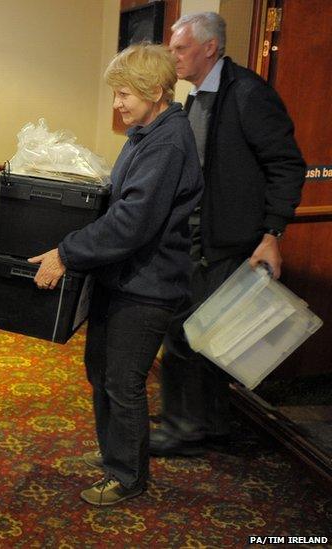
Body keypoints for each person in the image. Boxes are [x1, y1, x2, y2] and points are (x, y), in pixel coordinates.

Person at [30, 43, 203, 506]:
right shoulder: (146, 133)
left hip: (148, 286)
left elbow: (133, 223)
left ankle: (127, 476)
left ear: (153, 91)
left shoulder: (167, 142)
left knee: (123, 381)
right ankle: (115, 455)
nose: (117, 104)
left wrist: (67, 253)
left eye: (124, 94)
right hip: (123, 277)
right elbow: (120, 202)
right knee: (101, 371)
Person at [151, 12, 305, 456]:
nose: (173, 56)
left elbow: (286, 165)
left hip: (231, 239)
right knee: (199, 332)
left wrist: (272, 232)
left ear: (209, 48)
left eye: (180, 48)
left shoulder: (248, 94)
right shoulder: (196, 96)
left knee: (191, 332)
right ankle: (207, 423)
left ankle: (188, 428)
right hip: (197, 236)